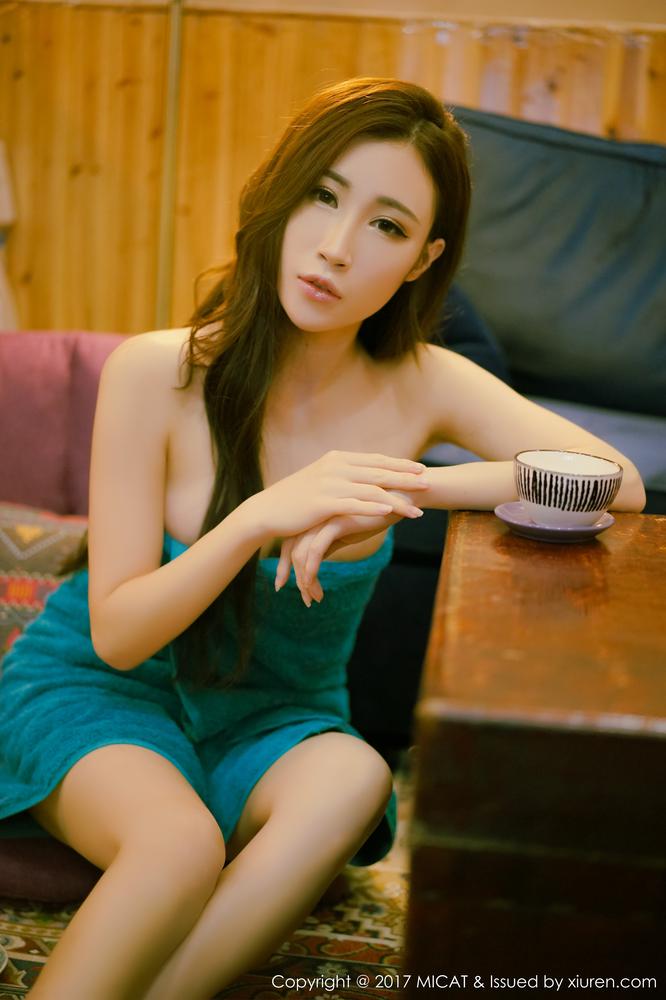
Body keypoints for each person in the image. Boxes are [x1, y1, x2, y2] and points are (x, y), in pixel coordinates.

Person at [0, 77, 645, 999]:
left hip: (275, 718)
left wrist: (405, 486)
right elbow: (120, 634)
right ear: (278, 194)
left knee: (355, 776)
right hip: (105, 694)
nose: (337, 247)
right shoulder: (156, 373)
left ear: (422, 260)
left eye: (386, 225)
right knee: (177, 846)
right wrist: (260, 517)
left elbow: (616, 481)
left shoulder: (424, 383)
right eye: (323, 196)